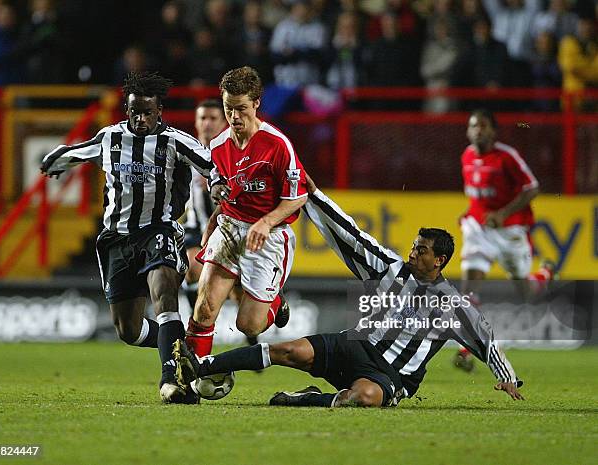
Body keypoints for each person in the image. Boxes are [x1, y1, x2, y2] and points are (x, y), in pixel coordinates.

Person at [172, 174, 525, 407]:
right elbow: (351, 236)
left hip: (389, 376)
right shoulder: (390, 269)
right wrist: (314, 197)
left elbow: (485, 339)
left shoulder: (451, 304)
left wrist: (507, 377)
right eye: (414, 246)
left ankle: (306, 399)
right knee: (286, 350)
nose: (413, 253)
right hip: (354, 345)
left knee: (365, 398)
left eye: (422, 250)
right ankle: (200, 367)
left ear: (440, 260)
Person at [41, 72, 216, 404]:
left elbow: (213, 166)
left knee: (164, 290)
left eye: (147, 112)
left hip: (159, 230)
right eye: (134, 111)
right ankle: (181, 347)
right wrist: (57, 160)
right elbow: (78, 151)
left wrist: (219, 184)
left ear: (159, 111)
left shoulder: (176, 142)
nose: (140, 119)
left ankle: (171, 380)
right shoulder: (110, 138)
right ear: (127, 109)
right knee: (129, 331)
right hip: (116, 239)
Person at [186, 66, 307, 358]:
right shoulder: (218, 145)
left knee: (249, 325)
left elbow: (297, 197)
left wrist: (265, 222)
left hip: (269, 236)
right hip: (229, 227)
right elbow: (222, 185)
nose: (234, 117)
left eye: (241, 108)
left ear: (256, 104)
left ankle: (275, 303)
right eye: (229, 109)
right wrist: (215, 210)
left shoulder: (277, 145)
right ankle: (192, 376)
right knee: (205, 308)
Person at [457, 109, 554, 370]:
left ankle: (544, 275)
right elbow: (477, 196)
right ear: (468, 131)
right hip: (479, 229)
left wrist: (503, 214)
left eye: (483, 125)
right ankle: (467, 348)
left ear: (493, 131)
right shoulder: (466, 156)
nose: (478, 130)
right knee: (469, 289)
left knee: (525, 291)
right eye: (474, 126)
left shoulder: (507, 156)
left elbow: (532, 187)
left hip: (511, 233)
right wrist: (469, 213)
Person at [181, 99, 227, 316]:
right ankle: (194, 324)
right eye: (202, 118)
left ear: (223, 122)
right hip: (194, 226)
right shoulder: (184, 151)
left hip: (227, 228)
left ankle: (252, 341)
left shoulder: (230, 153)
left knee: (240, 296)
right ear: (196, 122)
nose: (207, 123)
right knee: (191, 267)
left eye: (212, 118)